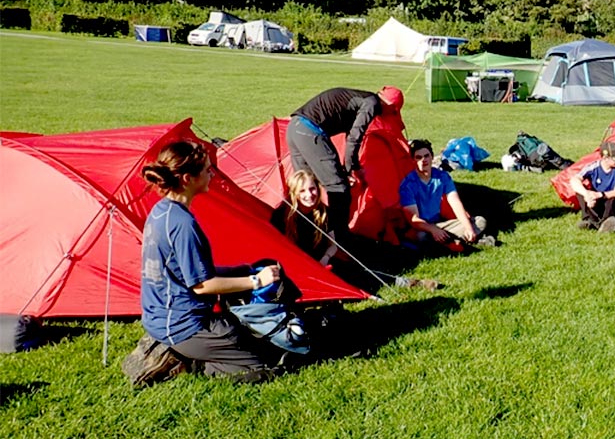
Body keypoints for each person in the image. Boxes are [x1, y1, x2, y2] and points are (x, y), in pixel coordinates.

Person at [139, 140, 285, 380]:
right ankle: (184, 363)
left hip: (160, 318)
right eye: (207, 170)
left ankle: (188, 353)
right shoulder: (183, 224)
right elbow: (202, 285)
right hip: (184, 325)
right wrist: (256, 281)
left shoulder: (161, 211)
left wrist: (241, 270)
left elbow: (189, 272)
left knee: (245, 338)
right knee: (263, 364)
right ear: (187, 179)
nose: (211, 174)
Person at [272, 170, 439, 291]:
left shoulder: (323, 212)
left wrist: (325, 259)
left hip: (323, 263)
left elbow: (332, 244)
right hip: (297, 269)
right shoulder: (282, 216)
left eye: (312, 188)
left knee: (360, 273)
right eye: (302, 191)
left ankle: (409, 282)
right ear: (294, 193)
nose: (309, 194)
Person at [286, 86, 404, 245]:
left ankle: (303, 235)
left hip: (294, 127)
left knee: (305, 186)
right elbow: (354, 139)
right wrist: (347, 173)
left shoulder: (362, 98)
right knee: (339, 188)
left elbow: (351, 136)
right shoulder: (372, 104)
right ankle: (339, 239)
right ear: (391, 106)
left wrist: (353, 168)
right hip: (310, 131)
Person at [400, 139, 494, 252]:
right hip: (421, 228)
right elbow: (413, 219)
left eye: (426, 156)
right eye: (418, 157)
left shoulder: (442, 176)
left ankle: (452, 242)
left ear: (432, 157)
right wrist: (433, 229)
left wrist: (468, 228)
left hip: (440, 224)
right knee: (422, 237)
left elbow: (455, 202)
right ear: (413, 160)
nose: (423, 160)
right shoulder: (407, 185)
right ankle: (460, 243)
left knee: (479, 221)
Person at [569, 141, 615, 234]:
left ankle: (603, 222)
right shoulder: (593, 167)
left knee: (614, 199)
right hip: (595, 201)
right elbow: (574, 180)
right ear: (605, 158)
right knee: (580, 192)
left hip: (611, 202)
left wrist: (599, 195)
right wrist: (587, 195)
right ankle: (589, 220)